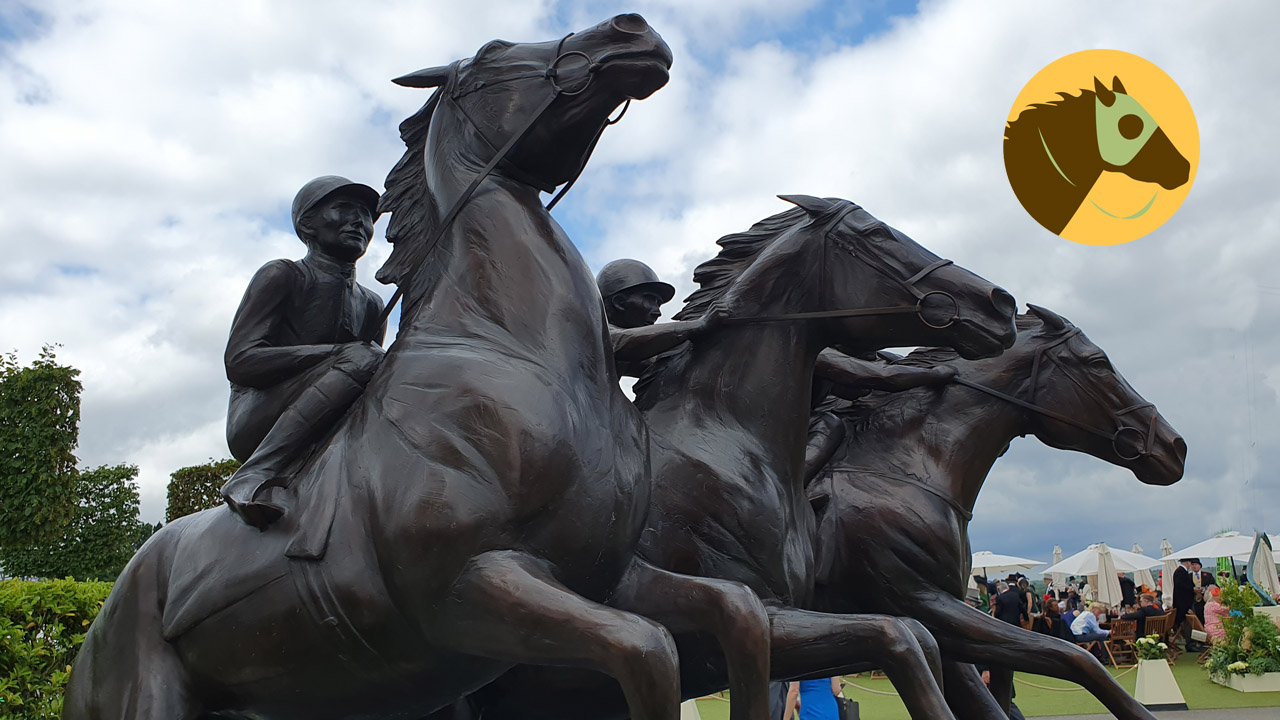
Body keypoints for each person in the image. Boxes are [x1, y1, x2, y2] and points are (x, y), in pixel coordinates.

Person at [221, 176, 385, 529]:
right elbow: (240, 361)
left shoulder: (372, 304)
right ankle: (255, 473)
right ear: (307, 224)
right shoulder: (285, 275)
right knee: (365, 356)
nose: (359, 221)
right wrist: (337, 353)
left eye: (366, 215)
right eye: (343, 209)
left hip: (332, 422)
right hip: (258, 418)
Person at [596, 259, 721, 378]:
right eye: (649, 299)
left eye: (658, 303)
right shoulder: (590, 327)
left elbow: (659, 363)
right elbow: (619, 342)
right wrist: (700, 324)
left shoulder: (631, 355)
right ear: (620, 303)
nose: (657, 312)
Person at [1172, 557, 1196, 646]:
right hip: (1184, 604)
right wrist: (1193, 590)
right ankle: (1189, 643)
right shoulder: (1180, 572)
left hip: (1185, 603)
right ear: (1188, 563)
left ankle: (1191, 642)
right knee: (1188, 624)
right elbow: (1181, 587)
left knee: (1190, 623)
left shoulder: (1181, 572)